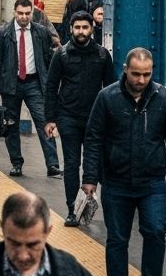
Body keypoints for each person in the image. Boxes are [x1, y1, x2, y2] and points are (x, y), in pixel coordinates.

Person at [82, 48, 166, 276]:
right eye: (136, 74)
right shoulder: (107, 98)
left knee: (155, 232)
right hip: (116, 181)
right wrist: (90, 178)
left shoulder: (163, 99)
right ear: (126, 69)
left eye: (147, 74)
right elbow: (93, 138)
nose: (141, 80)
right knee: (117, 239)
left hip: (152, 182)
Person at [43, 12, 115, 227]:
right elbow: (51, 87)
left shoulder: (102, 56)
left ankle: (109, 208)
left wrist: (112, 119)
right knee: (72, 165)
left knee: (99, 164)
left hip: (96, 120)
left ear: (92, 29)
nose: (81, 32)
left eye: (85, 27)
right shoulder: (62, 55)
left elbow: (112, 89)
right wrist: (50, 119)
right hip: (68, 118)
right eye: (77, 28)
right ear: (71, 29)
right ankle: (72, 209)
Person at [0, 0, 61, 178]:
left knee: (45, 121)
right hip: (10, 85)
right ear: (14, 12)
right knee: (11, 125)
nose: (24, 17)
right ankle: (16, 163)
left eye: (27, 13)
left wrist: (51, 84)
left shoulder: (41, 32)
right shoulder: (3, 33)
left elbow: (48, 59)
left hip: (34, 83)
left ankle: (53, 165)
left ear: (31, 13)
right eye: (20, 13)